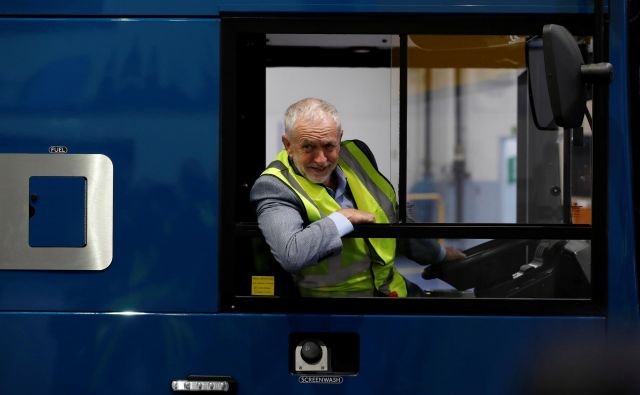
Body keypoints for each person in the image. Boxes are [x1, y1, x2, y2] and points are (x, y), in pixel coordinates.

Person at [250, 97, 465, 297]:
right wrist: (343, 219)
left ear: (339, 139)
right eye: (308, 147)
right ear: (288, 145)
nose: (321, 159)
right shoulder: (274, 186)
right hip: (333, 313)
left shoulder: (357, 156)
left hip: (393, 292)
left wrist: (440, 255)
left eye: (329, 146)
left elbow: (392, 220)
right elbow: (291, 253)